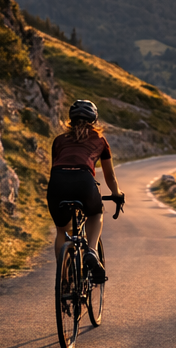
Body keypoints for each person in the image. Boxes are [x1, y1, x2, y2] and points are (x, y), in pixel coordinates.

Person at [47, 99, 125, 282]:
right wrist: (117, 194)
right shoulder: (100, 141)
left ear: (70, 120)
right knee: (96, 214)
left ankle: (64, 278)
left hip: (57, 182)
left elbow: (55, 166)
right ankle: (91, 251)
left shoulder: (59, 141)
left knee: (61, 230)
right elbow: (109, 176)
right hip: (84, 181)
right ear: (94, 121)